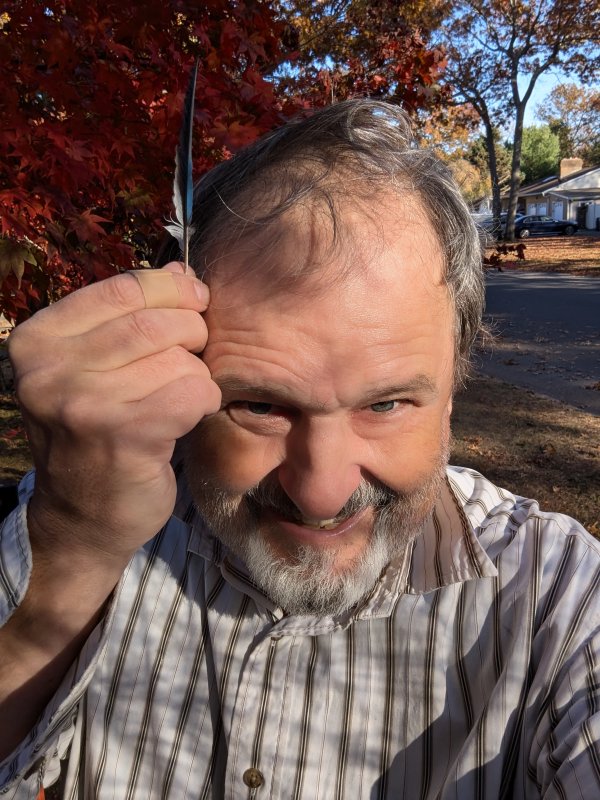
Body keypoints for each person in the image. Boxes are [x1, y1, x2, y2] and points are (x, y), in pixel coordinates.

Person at [1, 100, 599, 800]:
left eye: (385, 404)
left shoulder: (555, 596)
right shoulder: (90, 517)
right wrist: (74, 543)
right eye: (259, 405)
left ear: (456, 380)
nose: (320, 491)